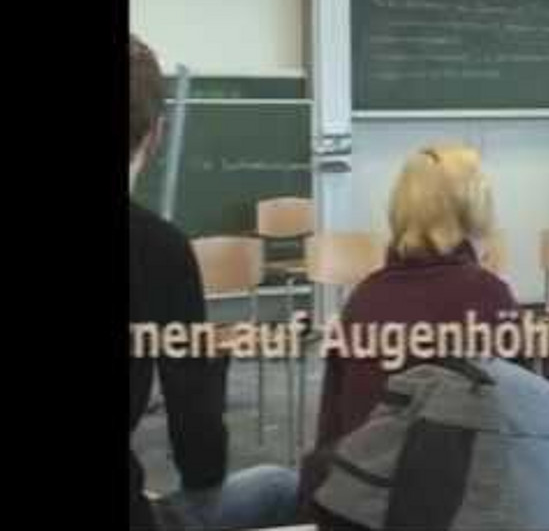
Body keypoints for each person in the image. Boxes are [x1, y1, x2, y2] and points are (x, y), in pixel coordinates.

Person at [129, 34, 298, 530]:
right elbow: (195, 423)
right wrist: (202, 478)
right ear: (156, 134)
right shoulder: (158, 250)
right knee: (280, 487)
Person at [299, 143, 520, 515]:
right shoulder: (491, 297)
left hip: (364, 505)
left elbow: (333, 430)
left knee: (273, 485)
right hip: (461, 509)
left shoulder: (363, 300)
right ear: (474, 212)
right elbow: (524, 429)